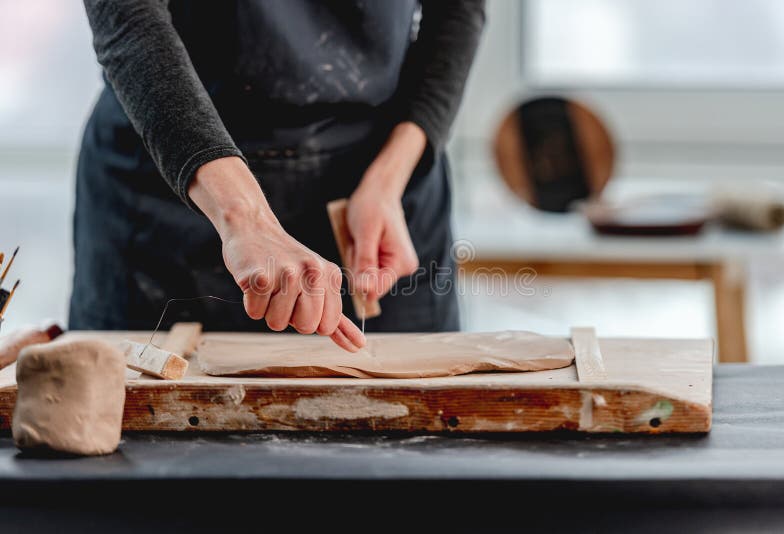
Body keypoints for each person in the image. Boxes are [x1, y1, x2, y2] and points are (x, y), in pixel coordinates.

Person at [71, 0, 485, 351]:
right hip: (168, 182)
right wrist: (244, 217)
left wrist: (389, 179)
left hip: (380, 182)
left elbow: (458, 9)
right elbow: (129, 16)